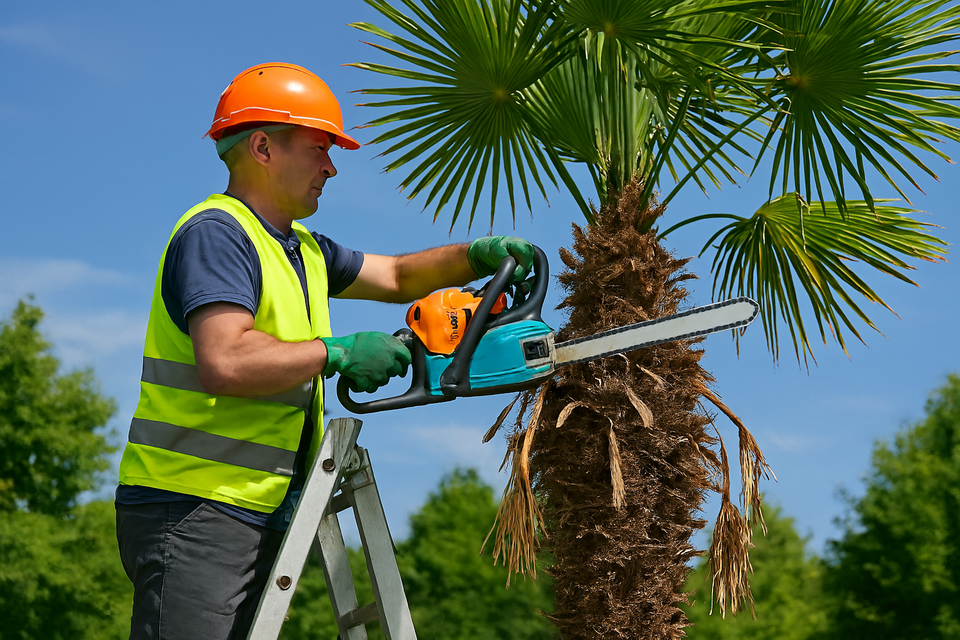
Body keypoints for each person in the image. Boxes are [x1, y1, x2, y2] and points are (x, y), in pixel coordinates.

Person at [114, 62, 534, 640]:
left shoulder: (300, 247)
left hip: (251, 506)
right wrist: (335, 353)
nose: (331, 167)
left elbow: (393, 276)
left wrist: (477, 255)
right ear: (262, 146)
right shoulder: (218, 235)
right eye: (319, 148)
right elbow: (226, 360)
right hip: (192, 506)